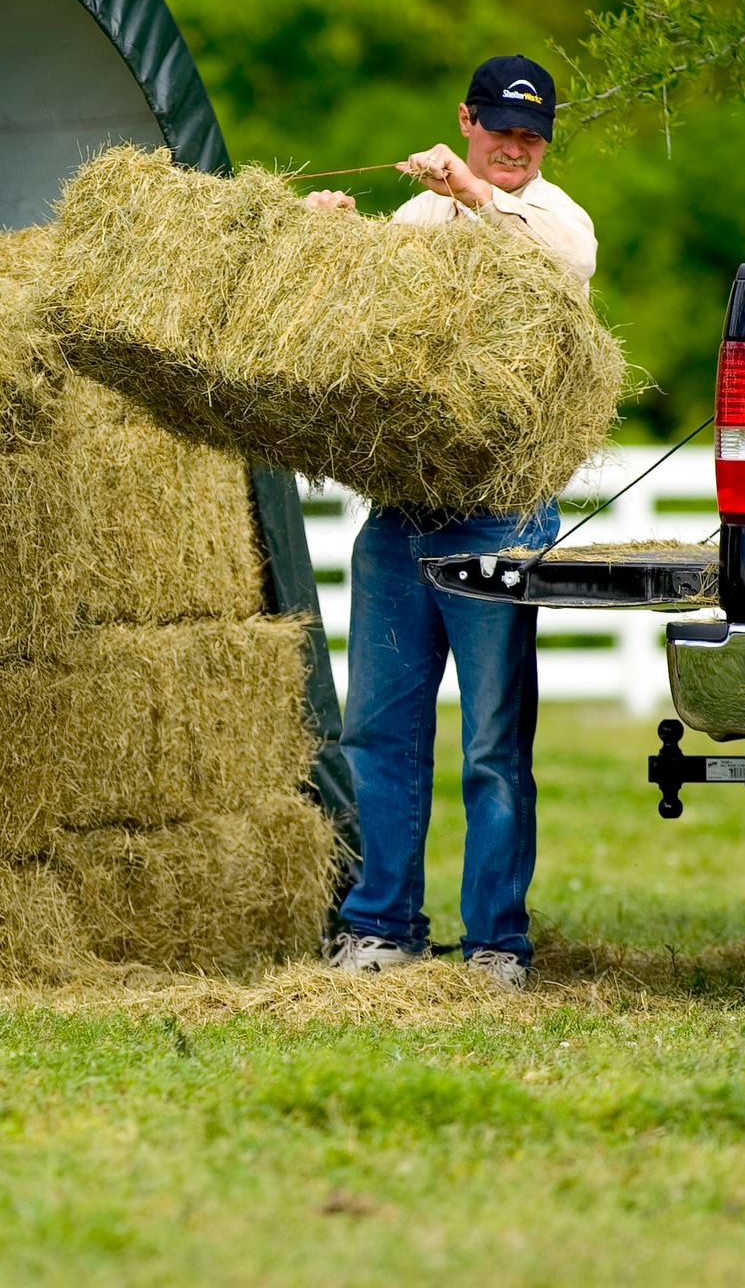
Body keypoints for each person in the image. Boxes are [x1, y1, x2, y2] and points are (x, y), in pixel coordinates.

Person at [306, 54, 596, 990]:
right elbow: (364, 319)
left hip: (500, 519)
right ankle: (381, 926)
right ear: (466, 118)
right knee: (380, 733)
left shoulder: (559, 220)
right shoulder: (418, 219)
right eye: (500, 129)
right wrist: (331, 244)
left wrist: (469, 189)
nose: (516, 147)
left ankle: (495, 946)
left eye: (532, 134)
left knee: (492, 745)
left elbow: (547, 278)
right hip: (402, 516)